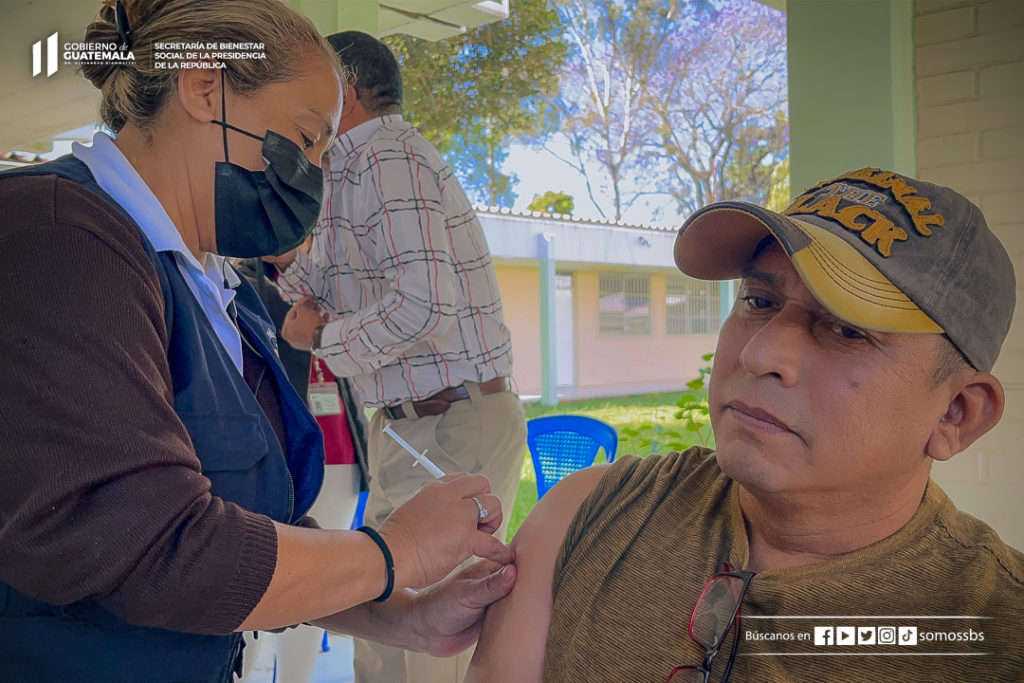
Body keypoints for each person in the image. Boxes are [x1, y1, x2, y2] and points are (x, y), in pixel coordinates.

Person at [0, 2, 516, 681]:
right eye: (305, 141)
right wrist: (392, 553)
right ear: (203, 87)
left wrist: (399, 612)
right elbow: (160, 548)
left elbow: (245, 531)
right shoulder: (57, 234)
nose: (312, 177)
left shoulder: (214, 285)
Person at [465, 167, 1024, 682]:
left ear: (956, 414)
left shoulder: (997, 635)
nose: (760, 353)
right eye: (759, 300)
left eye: (849, 330)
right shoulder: (589, 515)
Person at [270, 30, 527, 683]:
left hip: (450, 421)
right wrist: (273, 248)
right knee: (383, 623)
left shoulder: (385, 157)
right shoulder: (343, 173)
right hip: (409, 423)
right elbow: (310, 286)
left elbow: (423, 307)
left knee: (427, 645)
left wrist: (321, 339)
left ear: (344, 93)